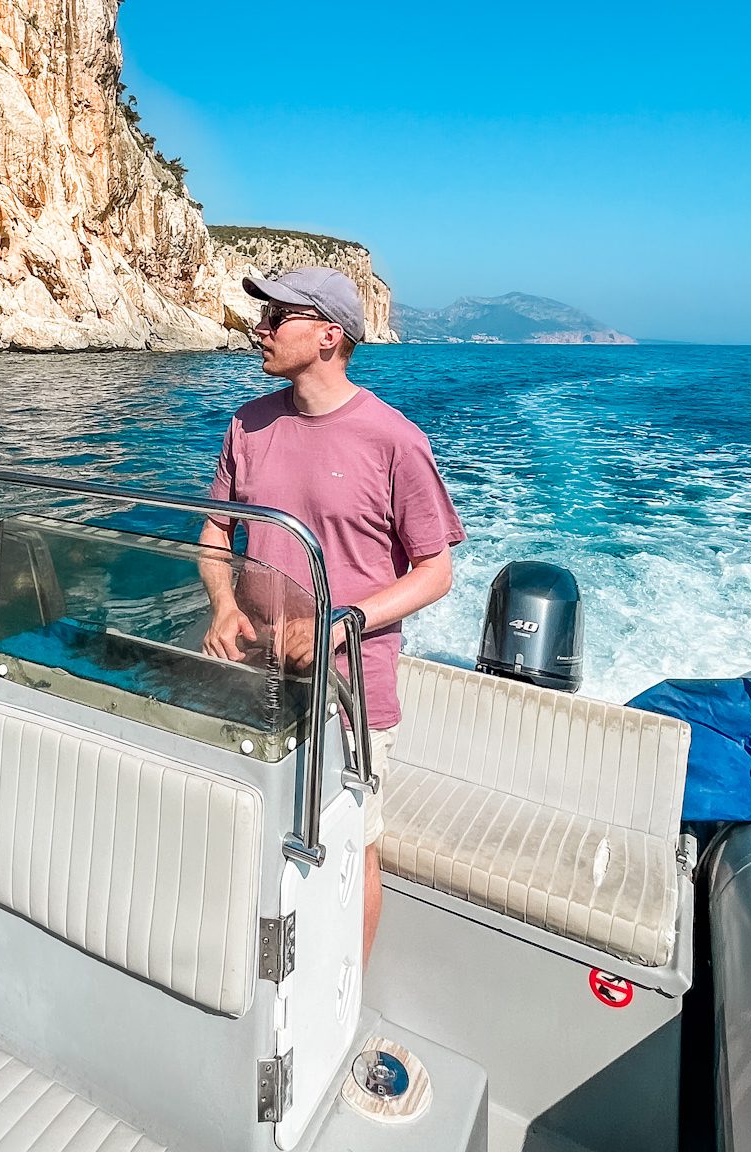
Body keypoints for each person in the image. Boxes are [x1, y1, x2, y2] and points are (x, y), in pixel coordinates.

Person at [199, 267, 464, 965]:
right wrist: (224, 605)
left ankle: (345, 995)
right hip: (255, 678)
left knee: (350, 847)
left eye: (275, 316)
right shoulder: (247, 423)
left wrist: (338, 623)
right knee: (254, 827)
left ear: (327, 335)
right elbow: (216, 533)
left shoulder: (394, 440)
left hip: (351, 693)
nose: (257, 328)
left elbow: (435, 572)